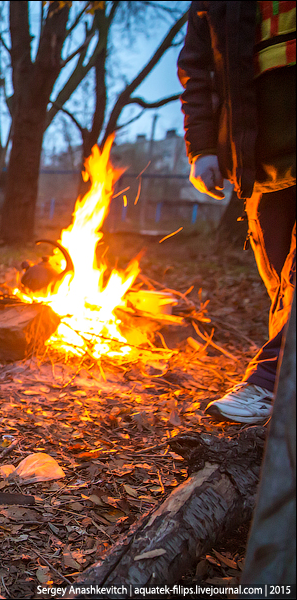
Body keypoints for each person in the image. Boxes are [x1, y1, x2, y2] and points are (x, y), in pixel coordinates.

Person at [178, 1, 295, 424]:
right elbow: (197, 69)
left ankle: (267, 382)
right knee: (282, 288)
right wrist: (203, 148)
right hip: (260, 165)